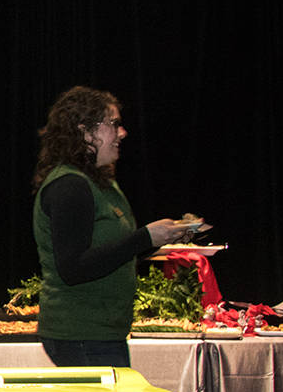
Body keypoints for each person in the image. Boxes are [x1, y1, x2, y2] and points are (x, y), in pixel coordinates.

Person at [31, 86, 193, 368]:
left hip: (101, 334)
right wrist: (144, 237)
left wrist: (160, 238)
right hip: (81, 334)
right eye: (114, 124)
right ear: (85, 131)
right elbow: (74, 268)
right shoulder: (70, 186)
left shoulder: (101, 183)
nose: (122, 133)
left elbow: (112, 254)